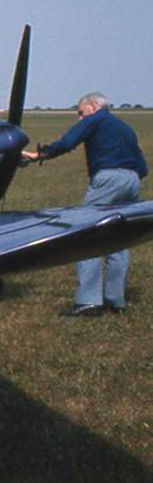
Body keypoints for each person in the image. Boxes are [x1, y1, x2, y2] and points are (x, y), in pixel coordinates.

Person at [22, 92, 147, 316]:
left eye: (80, 113)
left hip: (108, 179)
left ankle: (89, 302)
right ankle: (115, 300)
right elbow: (143, 167)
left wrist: (38, 155)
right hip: (133, 180)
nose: (80, 118)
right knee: (118, 239)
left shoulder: (95, 119)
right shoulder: (125, 126)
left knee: (87, 234)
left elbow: (68, 142)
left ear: (92, 106)